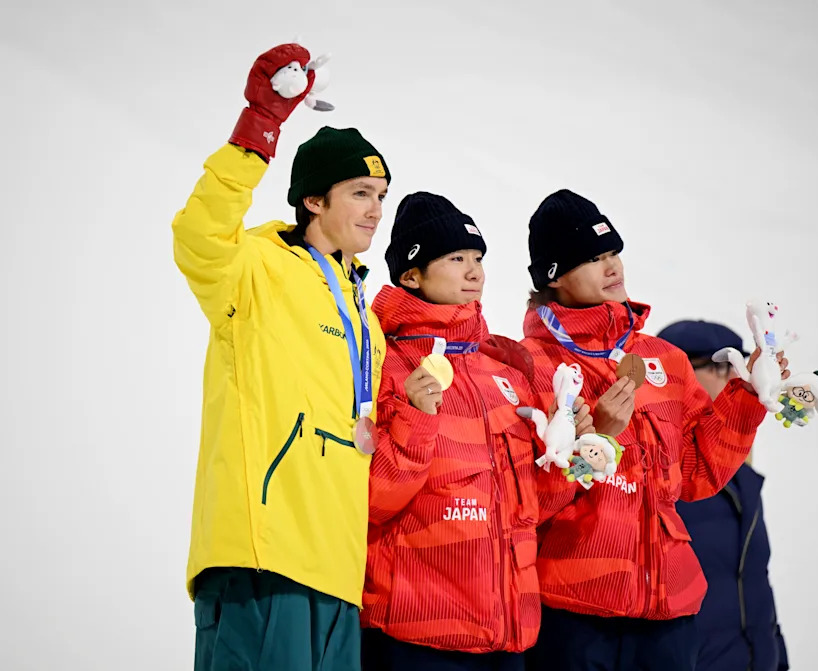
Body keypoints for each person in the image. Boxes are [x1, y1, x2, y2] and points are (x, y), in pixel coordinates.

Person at [171, 43, 391, 671]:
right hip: (261, 558)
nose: (376, 209)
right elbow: (199, 236)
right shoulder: (257, 269)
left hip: (337, 568)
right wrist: (258, 130)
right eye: (360, 192)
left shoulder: (364, 313)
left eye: (381, 194)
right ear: (314, 200)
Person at [517, 189, 790, 671]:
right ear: (553, 275)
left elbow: (697, 472)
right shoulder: (530, 367)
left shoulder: (664, 360)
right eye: (593, 258)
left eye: (613, 252)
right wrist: (596, 440)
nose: (611, 267)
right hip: (573, 613)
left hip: (668, 615)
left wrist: (748, 396)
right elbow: (523, 502)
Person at [360, 192, 592, 670]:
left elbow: (533, 510)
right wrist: (416, 417)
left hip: (507, 639)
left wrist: (569, 457)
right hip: (414, 637)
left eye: (478, 258)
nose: (474, 272)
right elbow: (371, 501)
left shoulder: (503, 370)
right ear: (411, 275)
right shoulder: (379, 362)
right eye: (455, 258)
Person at [657, 320, 790, 671]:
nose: (735, 377)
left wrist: (776, 659)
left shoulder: (741, 477)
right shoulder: (659, 474)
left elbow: (754, 583)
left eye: (739, 365)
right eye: (720, 366)